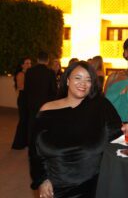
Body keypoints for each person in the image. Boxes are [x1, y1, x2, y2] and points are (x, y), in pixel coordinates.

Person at [29, 61, 122, 198]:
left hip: (94, 186)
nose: (83, 83)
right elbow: (34, 151)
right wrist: (42, 180)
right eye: (78, 78)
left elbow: (117, 137)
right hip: (56, 187)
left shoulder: (101, 106)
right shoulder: (47, 110)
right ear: (67, 80)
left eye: (88, 80)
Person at [24, 51, 57, 145]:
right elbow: (54, 90)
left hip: (32, 103)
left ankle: (31, 144)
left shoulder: (30, 71)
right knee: (43, 125)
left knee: (32, 123)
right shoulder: (50, 72)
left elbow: (26, 88)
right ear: (47, 61)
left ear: (37, 60)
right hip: (45, 105)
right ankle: (42, 144)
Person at [11, 57, 32, 149]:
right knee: (23, 121)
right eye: (27, 63)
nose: (29, 65)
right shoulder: (21, 74)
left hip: (28, 99)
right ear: (22, 65)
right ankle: (18, 144)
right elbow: (20, 87)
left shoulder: (29, 74)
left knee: (27, 121)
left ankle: (25, 142)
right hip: (23, 99)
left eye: (30, 63)